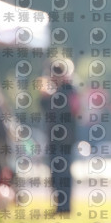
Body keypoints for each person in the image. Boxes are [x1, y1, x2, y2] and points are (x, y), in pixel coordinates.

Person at [39, 58, 80, 213]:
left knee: (63, 173)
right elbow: (44, 106)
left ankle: (65, 207)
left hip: (65, 140)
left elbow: (65, 109)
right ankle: (59, 206)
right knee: (55, 174)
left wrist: (49, 96)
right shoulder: (55, 92)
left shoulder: (69, 90)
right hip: (54, 140)